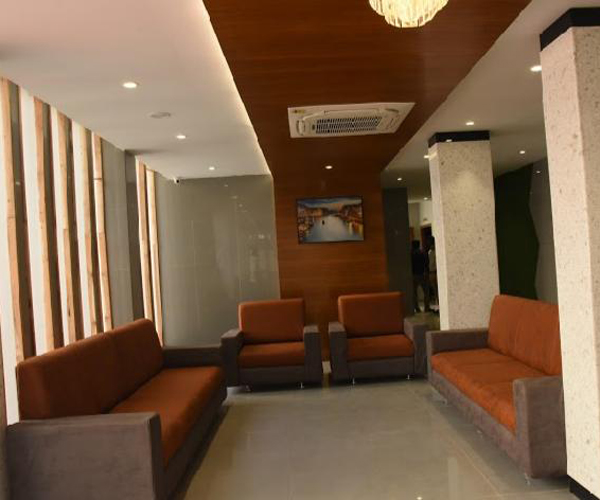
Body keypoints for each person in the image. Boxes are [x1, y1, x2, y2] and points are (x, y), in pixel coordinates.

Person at [411, 240, 430, 313]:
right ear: (419, 245)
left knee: (414, 293)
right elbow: (426, 263)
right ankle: (426, 307)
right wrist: (427, 272)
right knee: (426, 292)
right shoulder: (422, 253)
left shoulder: (410, 254)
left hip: (413, 275)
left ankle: (416, 308)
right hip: (422, 274)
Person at [428, 237, 438, 313]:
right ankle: (437, 305)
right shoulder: (429, 252)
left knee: (437, 289)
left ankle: (438, 305)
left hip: (436, 271)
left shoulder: (436, 251)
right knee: (434, 290)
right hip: (432, 272)